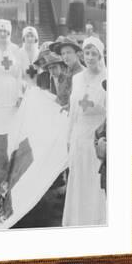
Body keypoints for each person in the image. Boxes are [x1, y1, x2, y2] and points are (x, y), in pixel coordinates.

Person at [62, 37, 107, 226]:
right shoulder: (77, 78)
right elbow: (73, 110)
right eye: (87, 53)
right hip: (79, 136)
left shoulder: (108, 78)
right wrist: (69, 136)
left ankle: (95, 221)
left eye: (93, 53)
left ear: (100, 55)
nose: (89, 57)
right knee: (78, 179)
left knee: (93, 182)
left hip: (96, 138)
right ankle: (77, 221)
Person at [0, 19, 24, 129]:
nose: (3, 34)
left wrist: (20, 95)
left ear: (9, 33)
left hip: (12, 89)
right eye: (0, 31)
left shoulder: (15, 49)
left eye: (5, 31)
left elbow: (18, 75)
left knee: (12, 123)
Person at [50, 35, 84, 111]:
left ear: (77, 53)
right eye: (63, 53)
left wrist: (68, 107)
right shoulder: (66, 72)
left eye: (68, 52)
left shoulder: (81, 73)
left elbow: (80, 100)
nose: (65, 56)